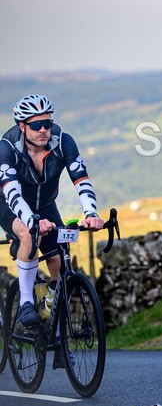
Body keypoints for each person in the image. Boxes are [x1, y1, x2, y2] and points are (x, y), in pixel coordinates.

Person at [1, 95, 104, 347]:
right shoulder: (7, 146)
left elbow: (82, 180)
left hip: (46, 205)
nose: (43, 130)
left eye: (47, 123)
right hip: (9, 204)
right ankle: (26, 303)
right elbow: (12, 193)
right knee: (29, 234)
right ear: (22, 126)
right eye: (36, 125)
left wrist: (91, 213)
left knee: (58, 259)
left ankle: (52, 319)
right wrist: (32, 222)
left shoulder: (63, 141)